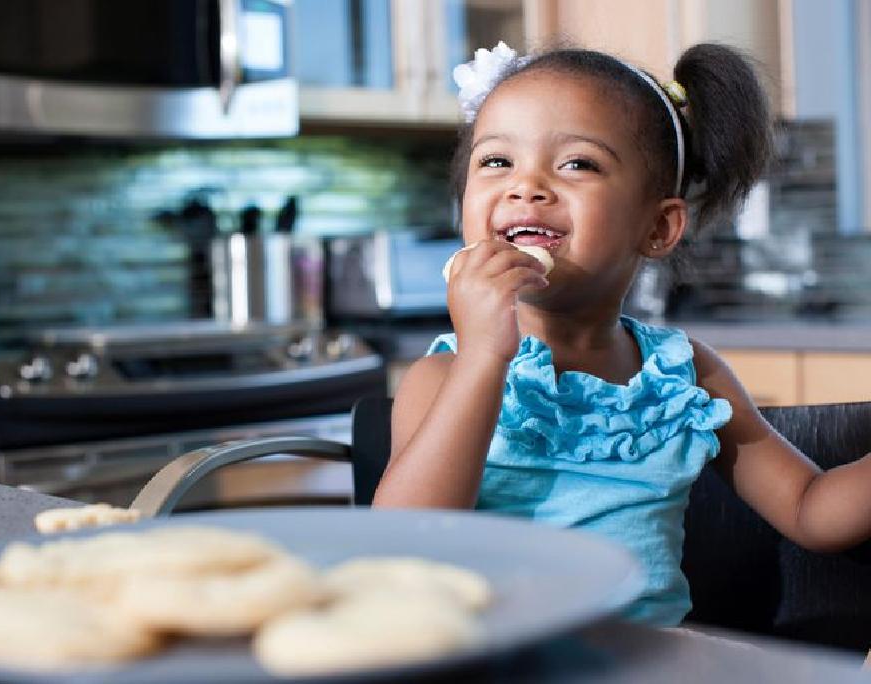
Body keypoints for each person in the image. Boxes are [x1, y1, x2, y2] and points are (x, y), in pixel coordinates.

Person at [371, 40, 871, 627]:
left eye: (577, 164)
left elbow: (812, 511)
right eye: (497, 161)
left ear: (659, 226)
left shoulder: (687, 374)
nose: (525, 186)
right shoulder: (446, 374)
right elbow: (402, 550)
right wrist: (484, 354)